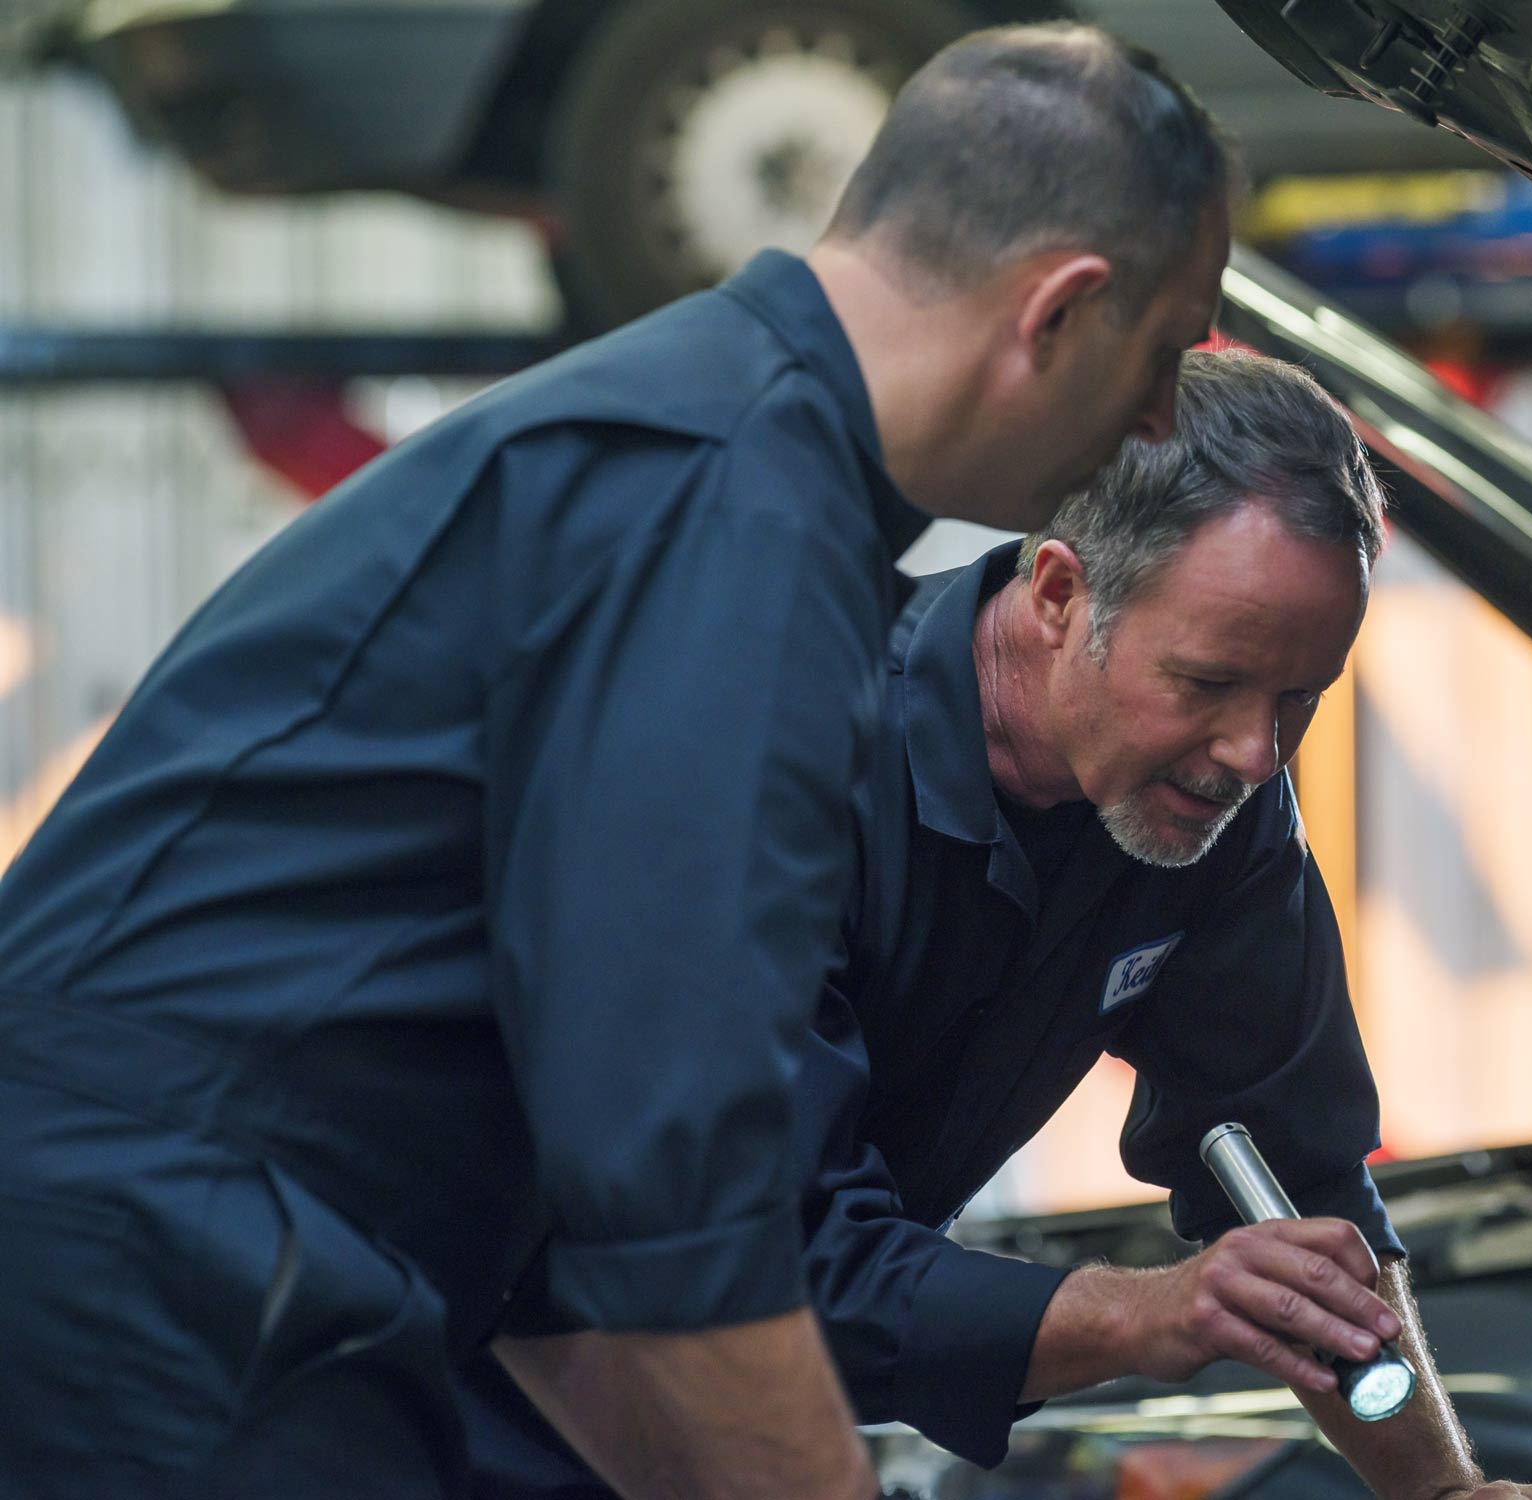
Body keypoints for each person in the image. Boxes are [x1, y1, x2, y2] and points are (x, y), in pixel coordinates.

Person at [0, 24, 1232, 1500]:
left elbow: (599, 1246)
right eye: (1165, 354)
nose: (1163, 418)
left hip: (191, 1260)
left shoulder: (705, 440)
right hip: (171, 1284)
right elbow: (672, 1192)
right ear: (1060, 310)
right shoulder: (737, 521)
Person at [469, 351, 1532, 1499]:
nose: (1254, 752)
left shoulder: (1210, 809)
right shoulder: (766, 768)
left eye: (1300, 696)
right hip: (458, 1393)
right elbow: (764, 1258)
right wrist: (1141, 1311)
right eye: (1206, 682)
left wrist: (1441, 1487)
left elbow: (1308, 1187)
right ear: (1057, 595)